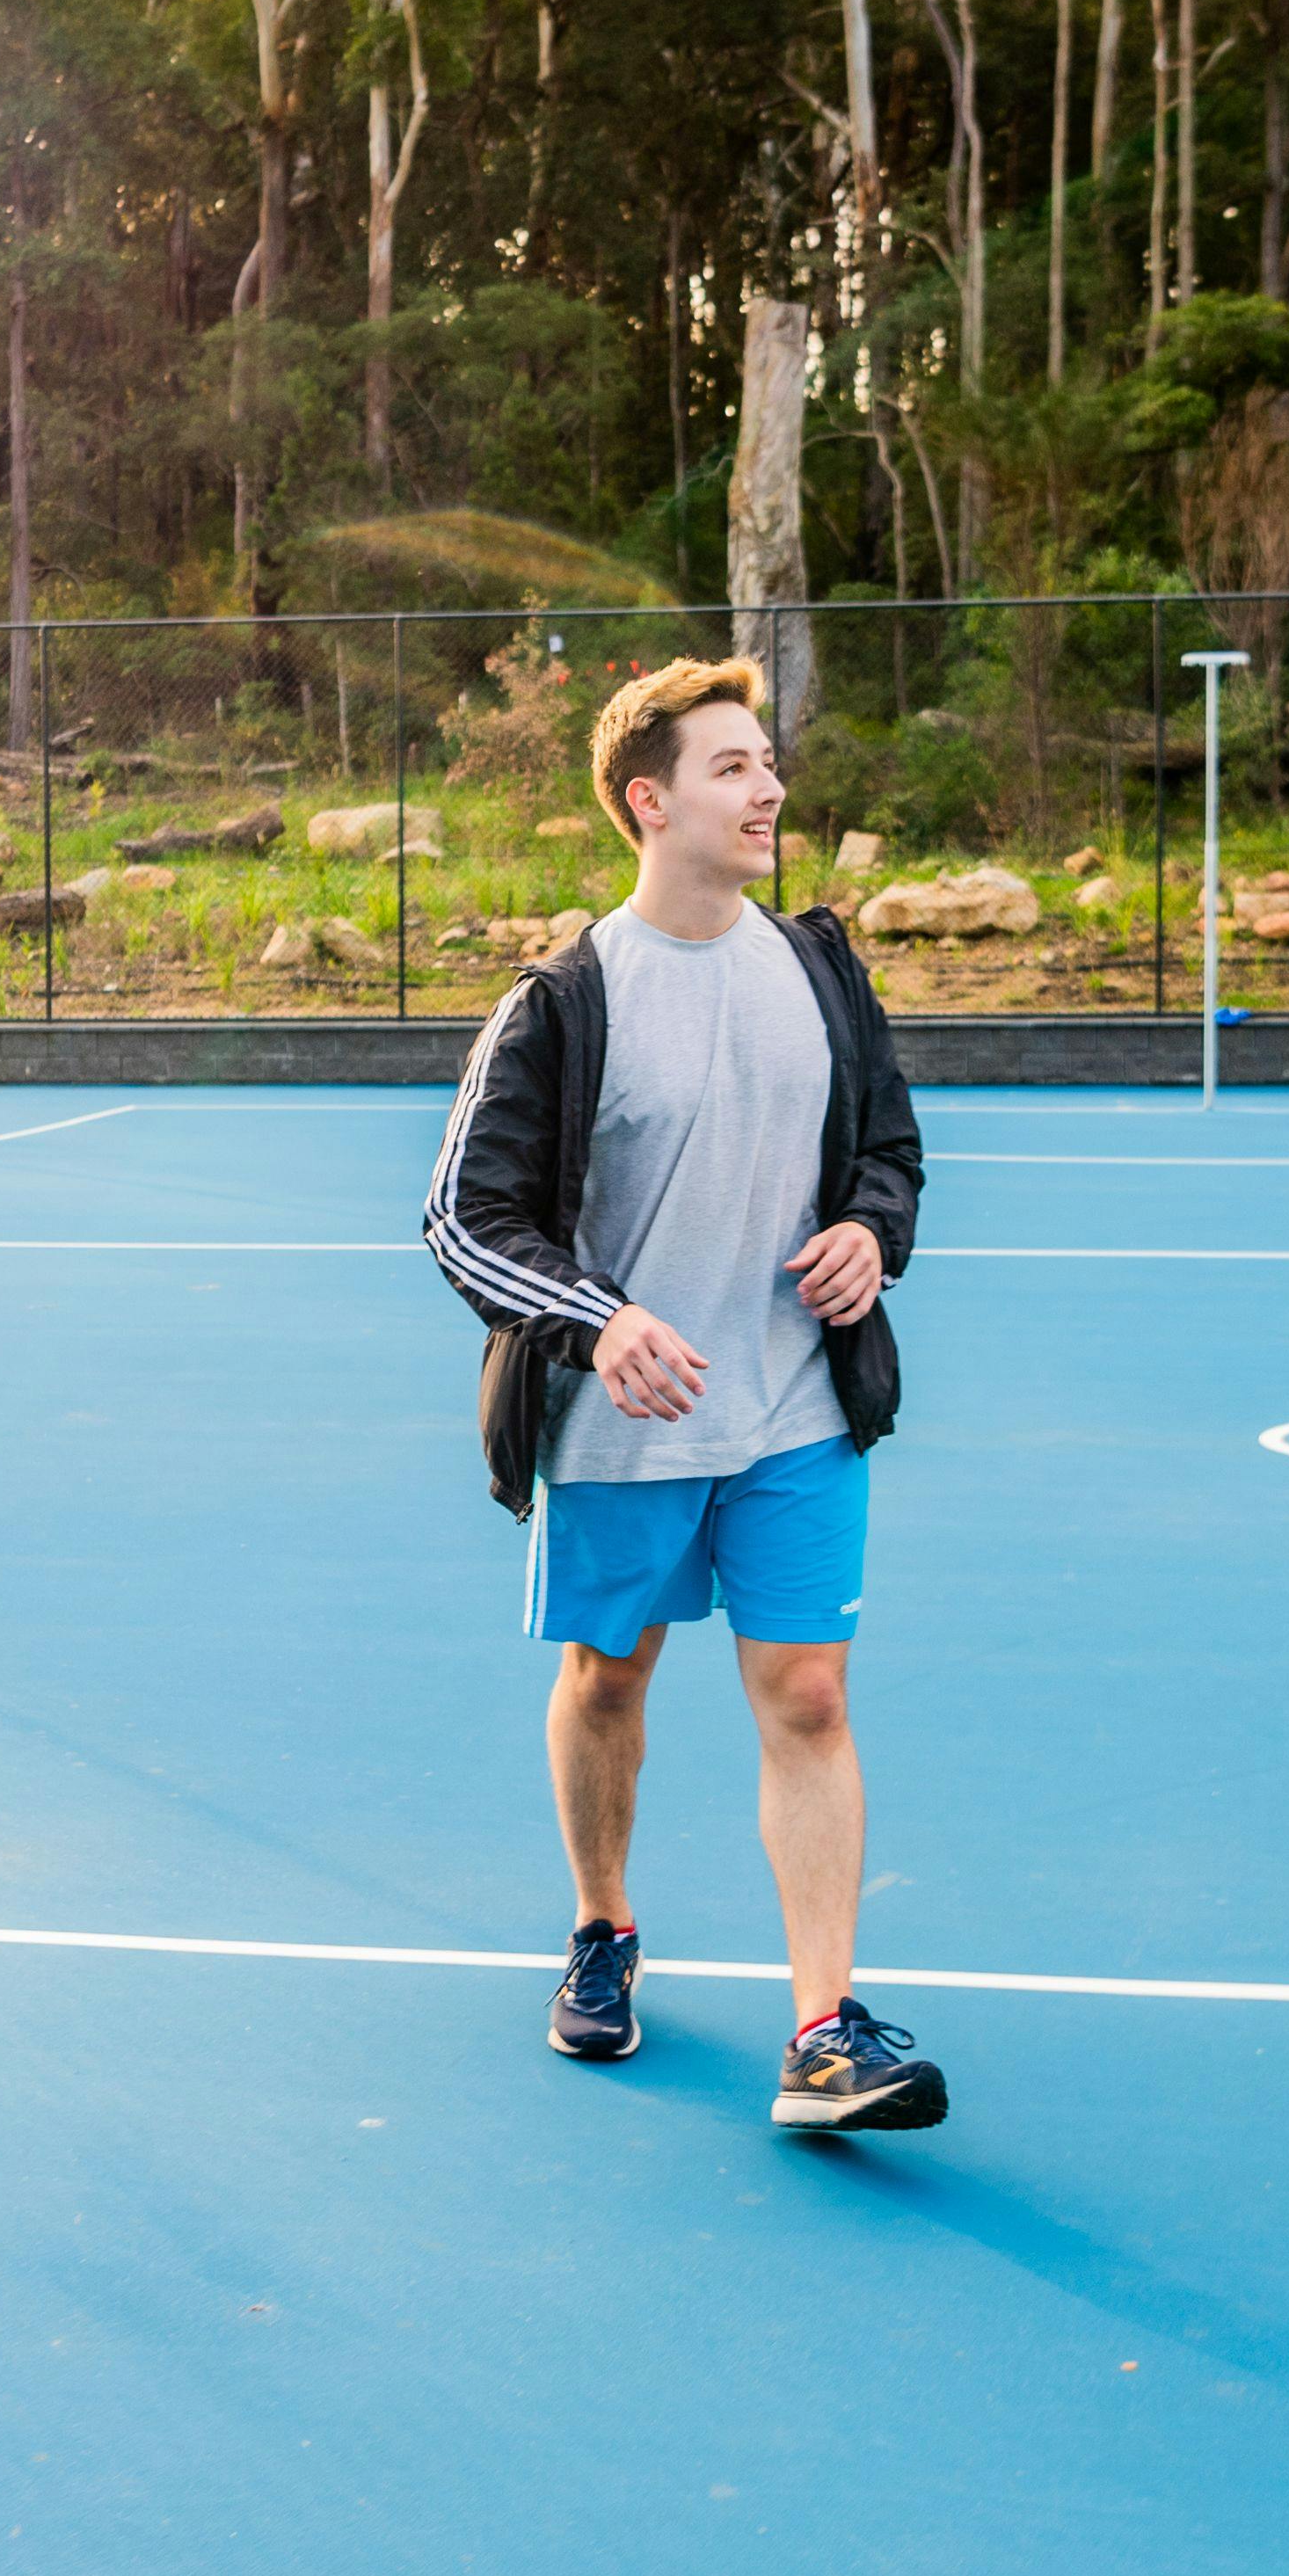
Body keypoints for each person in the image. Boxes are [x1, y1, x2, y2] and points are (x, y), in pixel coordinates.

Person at [423, 654, 941, 2132]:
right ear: (650, 803)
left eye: (768, 761)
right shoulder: (567, 1002)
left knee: (810, 1693)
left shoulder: (822, 966)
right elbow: (466, 1217)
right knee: (610, 1679)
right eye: (732, 766)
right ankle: (603, 1927)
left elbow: (889, 1151)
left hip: (796, 1411)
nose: (768, 786)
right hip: (626, 1421)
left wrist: (872, 1231)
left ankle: (827, 2031)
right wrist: (599, 1320)